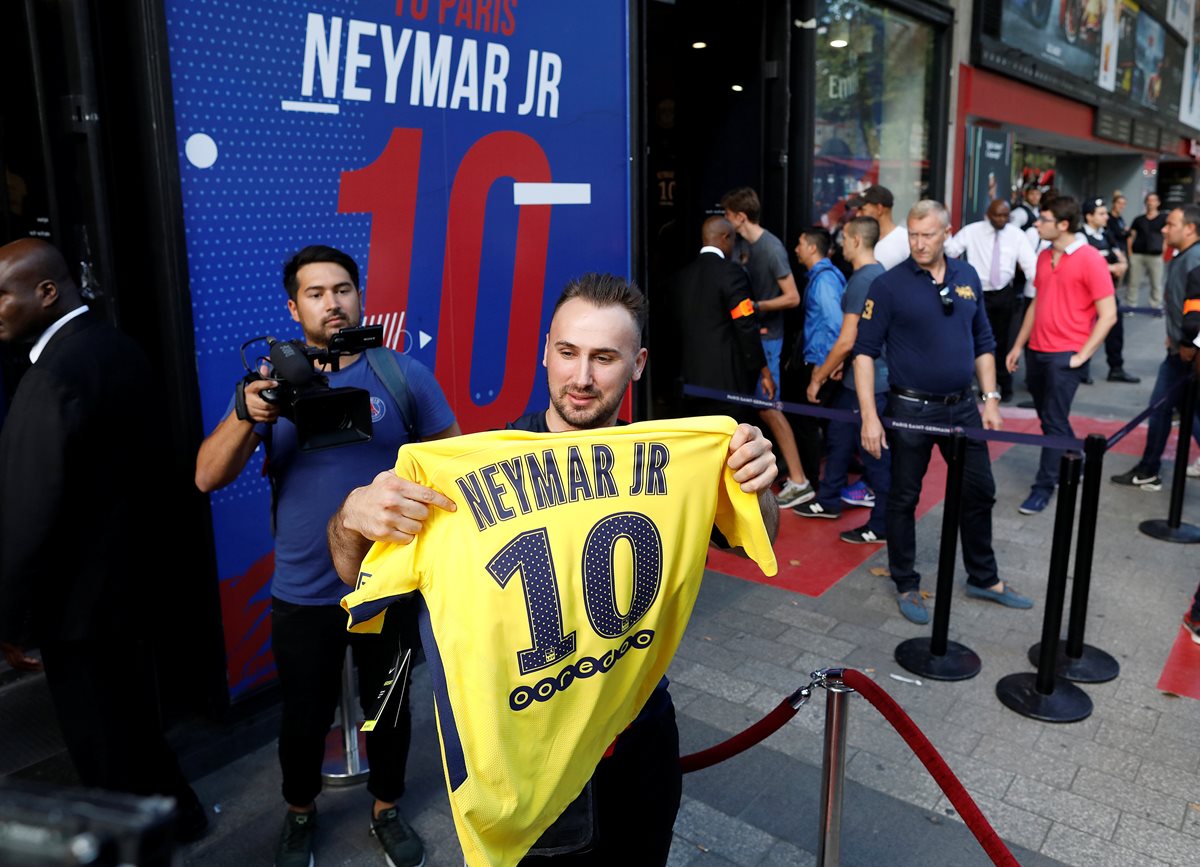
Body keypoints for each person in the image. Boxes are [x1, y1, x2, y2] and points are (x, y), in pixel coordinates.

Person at [328, 273, 780, 865]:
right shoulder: (474, 469)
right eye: (567, 352)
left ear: (638, 364)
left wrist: (758, 481)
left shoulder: (676, 462)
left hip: (639, 739)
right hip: (528, 753)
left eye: (605, 357)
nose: (582, 377)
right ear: (546, 350)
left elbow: (756, 540)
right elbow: (350, 573)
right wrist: (352, 517)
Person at [194, 244, 461, 867]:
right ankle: (299, 812)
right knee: (304, 716)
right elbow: (207, 476)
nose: (332, 303)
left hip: (386, 587)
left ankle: (386, 808)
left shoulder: (402, 375)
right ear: (294, 307)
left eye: (342, 289)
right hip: (303, 592)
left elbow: (455, 465)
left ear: (360, 295)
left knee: (390, 708)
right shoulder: (270, 388)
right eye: (316, 294)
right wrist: (246, 410)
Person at [0, 239, 206, 839]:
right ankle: (182, 818)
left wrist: (12, 621)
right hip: (128, 589)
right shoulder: (114, 346)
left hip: (78, 609)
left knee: (103, 743)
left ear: (45, 292)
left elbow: (28, 512)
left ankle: (136, 843)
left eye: (2, 294)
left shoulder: (56, 372)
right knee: (136, 723)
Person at [852, 200, 1033, 624]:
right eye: (913, 234)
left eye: (927, 234)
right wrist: (869, 417)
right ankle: (906, 582)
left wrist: (990, 400)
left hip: (963, 408)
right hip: (910, 409)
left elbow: (984, 341)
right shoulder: (888, 284)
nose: (918, 243)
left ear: (946, 233)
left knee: (979, 491)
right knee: (904, 498)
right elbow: (863, 354)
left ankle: (984, 578)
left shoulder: (966, 276)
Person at [1006, 196, 1118, 516]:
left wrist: (1082, 355)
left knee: (1053, 421)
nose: (1036, 224)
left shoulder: (1091, 259)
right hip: (1037, 350)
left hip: (1065, 355)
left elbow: (1108, 314)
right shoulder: (1044, 256)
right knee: (1049, 417)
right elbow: (1037, 303)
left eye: (1043, 220)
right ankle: (1076, 457)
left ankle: (1044, 485)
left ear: (1064, 224)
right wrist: (1017, 346)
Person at [798, 215, 891, 544]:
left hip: (870, 383)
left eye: (844, 239)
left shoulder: (862, 279)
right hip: (860, 378)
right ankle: (829, 499)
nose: (839, 246)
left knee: (873, 453)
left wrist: (818, 376)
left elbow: (848, 338)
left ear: (854, 240)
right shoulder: (878, 275)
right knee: (839, 437)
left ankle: (880, 523)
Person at [720, 186, 814, 506]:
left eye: (728, 216)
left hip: (769, 339)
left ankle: (800, 481)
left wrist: (756, 307)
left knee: (770, 410)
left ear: (740, 217)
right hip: (751, 337)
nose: (724, 221)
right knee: (758, 409)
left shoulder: (771, 248)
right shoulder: (742, 245)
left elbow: (793, 297)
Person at [1111, 204, 1200, 491]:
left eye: (1170, 224)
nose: (1164, 228)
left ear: (1189, 228)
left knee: (1169, 409)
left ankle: (1149, 468)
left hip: (1189, 355)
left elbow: (1196, 310)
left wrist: (1189, 342)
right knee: (1174, 411)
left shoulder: (1195, 259)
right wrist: (1174, 337)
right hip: (1180, 351)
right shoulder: (1182, 256)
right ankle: (1148, 468)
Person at [670, 215, 772, 413]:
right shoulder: (732, 274)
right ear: (725, 237)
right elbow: (745, 324)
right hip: (726, 385)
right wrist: (762, 370)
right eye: (733, 240)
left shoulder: (681, 277)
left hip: (689, 382)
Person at [945, 198, 1038, 402]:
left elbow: (1030, 264)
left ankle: (1004, 385)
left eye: (1006, 215)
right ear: (988, 214)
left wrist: (1043, 286)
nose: (1002, 219)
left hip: (1004, 293)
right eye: (998, 215)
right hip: (976, 292)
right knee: (972, 339)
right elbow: (951, 251)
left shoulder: (1016, 235)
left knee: (1003, 341)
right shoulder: (972, 231)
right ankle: (975, 384)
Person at [789, 226, 846, 482]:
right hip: (819, 360)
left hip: (818, 362)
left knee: (807, 424)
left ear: (812, 248)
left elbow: (835, 324)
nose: (796, 249)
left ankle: (810, 481)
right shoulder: (825, 275)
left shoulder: (824, 280)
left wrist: (823, 369)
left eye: (800, 243)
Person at [1080, 198, 1139, 384]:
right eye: (1101, 214)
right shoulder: (1080, 236)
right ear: (1089, 216)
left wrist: (1119, 265)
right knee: (1085, 331)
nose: (1106, 217)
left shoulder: (1106, 234)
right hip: (1086, 295)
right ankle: (1081, 368)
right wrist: (1111, 268)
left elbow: (1120, 257)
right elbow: (1085, 264)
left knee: (1115, 330)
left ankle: (1116, 368)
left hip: (1107, 292)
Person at [849, 185, 908, 270]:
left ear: (879, 209)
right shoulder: (861, 240)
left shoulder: (905, 239)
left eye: (862, 209)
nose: (857, 214)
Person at [1127, 192, 1166, 308]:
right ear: (1145, 202)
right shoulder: (1138, 219)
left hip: (1155, 254)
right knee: (1133, 282)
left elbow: (1166, 237)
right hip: (1138, 254)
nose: (1151, 203)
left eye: (1153, 200)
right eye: (1149, 200)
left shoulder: (1163, 218)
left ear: (1158, 203)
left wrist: (1164, 252)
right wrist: (1130, 253)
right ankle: (1131, 304)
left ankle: (1156, 305)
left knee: (1156, 283)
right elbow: (1131, 236)